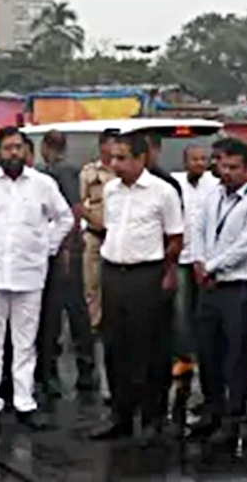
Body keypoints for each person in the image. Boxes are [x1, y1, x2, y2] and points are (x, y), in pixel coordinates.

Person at [0, 127, 73, 433]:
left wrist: (47, 246)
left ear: (26, 151)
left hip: (29, 274)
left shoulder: (43, 184)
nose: (13, 153)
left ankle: (25, 402)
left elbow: (65, 218)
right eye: (8, 148)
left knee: (25, 343)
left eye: (18, 147)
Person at [91, 133, 185, 441]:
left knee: (151, 349)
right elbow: (109, 229)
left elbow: (175, 238)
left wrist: (168, 272)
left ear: (141, 158)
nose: (114, 164)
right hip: (113, 273)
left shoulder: (163, 192)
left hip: (148, 275)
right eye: (112, 158)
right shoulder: (111, 191)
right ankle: (120, 416)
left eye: (122, 158)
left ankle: (152, 418)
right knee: (116, 347)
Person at [190, 139, 247, 444]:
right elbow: (198, 230)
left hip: (239, 285)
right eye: (221, 165)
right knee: (207, 350)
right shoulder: (213, 196)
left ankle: (233, 416)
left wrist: (212, 266)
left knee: (236, 353)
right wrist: (200, 262)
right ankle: (212, 409)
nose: (225, 172)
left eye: (232, 167)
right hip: (209, 283)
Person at [36, 130, 98, 396]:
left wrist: (65, 247)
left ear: (45, 148)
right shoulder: (59, 171)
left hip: (64, 252)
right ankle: (78, 369)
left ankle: (73, 370)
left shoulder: (60, 173)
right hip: (62, 248)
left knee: (63, 312)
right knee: (71, 311)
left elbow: (72, 210)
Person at [172, 144, 221, 414]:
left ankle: (204, 359)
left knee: (202, 311)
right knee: (180, 312)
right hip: (180, 257)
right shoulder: (175, 182)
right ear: (185, 160)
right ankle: (183, 357)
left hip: (204, 259)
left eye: (203, 159)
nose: (199, 163)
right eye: (194, 159)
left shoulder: (214, 186)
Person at [79, 132, 119, 332]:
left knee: (116, 283)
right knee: (91, 283)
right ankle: (94, 325)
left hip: (120, 236)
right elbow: (78, 203)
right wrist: (91, 218)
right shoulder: (89, 172)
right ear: (102, 145)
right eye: (111, 144)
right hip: (95, 233)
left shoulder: (123, 172)